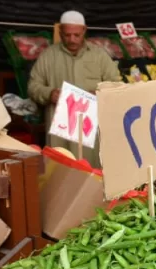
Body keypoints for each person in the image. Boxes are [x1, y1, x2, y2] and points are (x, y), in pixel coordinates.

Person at [29, 10, 122, 164]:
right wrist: (48, 93)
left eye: (76, 35)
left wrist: (100, 93)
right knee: (60, 170)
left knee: (91, 170)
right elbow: (33, 86)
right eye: (67, 35)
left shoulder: (98, 56)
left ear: (84, 30)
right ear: (60, 31)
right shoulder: (48, 56)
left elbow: (116, 85)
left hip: (90, 127)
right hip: (60, 130)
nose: (72, 39)